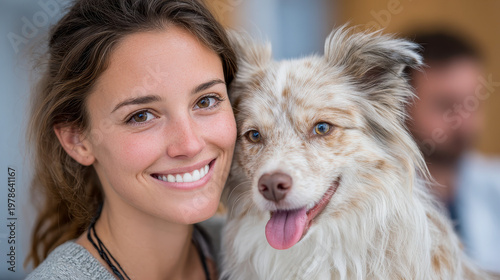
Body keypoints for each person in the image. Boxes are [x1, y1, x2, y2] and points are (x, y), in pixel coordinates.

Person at [25, 0, 237, 279]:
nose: (190, 144)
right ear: (77, 139)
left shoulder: (251, 252)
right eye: (141, 116)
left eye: (206, 100)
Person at [405, 31, 500, 273]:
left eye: (472, 103)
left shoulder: (493, 183)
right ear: (401, 106)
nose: (464, 124)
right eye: (445, 106)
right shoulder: (372, 201)